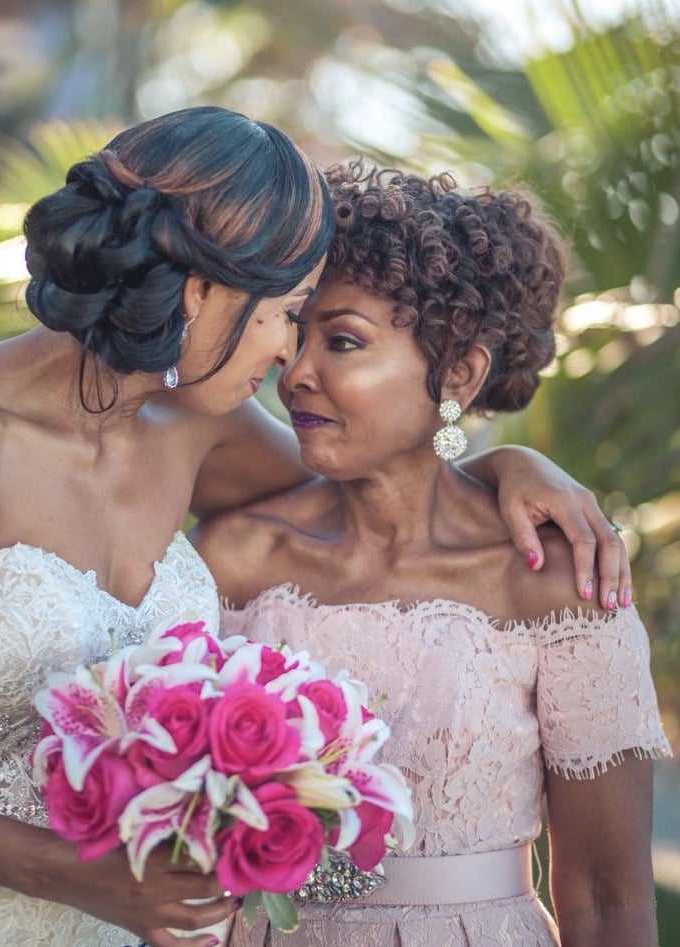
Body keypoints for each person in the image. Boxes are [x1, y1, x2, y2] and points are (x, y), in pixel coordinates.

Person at [0, 106, 630, 947]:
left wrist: (507, 467)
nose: (290, 355)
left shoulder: (196, 423)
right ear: (199, 290)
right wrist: (66, 871)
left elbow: (382, 479)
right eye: (287, 311)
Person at [193, 164, 671, 947]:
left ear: (458, 373)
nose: (297, 371)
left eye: (342, 341)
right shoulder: (235, 558)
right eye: (296, 333)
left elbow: (608, 898)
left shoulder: (559, 582)